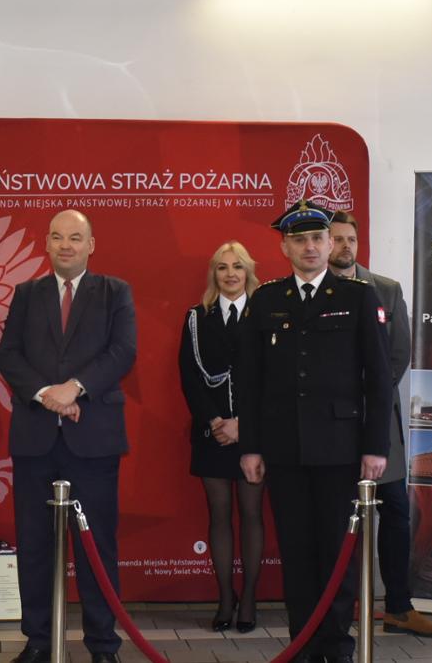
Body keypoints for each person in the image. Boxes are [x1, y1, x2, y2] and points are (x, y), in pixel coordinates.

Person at [235, 200, 393, 663]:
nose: (310, 247)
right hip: (284, 450)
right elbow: (250, 381)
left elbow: (378, 378)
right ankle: (301, 645)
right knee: (297, 553)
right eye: (300, 239)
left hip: (340, 449)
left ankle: (338, 647)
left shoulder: (358, 297)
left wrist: (375, 446)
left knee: (338, 554)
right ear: (284, 247)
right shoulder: (266, 299)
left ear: (330, 244)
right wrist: (250, 447)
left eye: (318, 238)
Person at [0, 210, 137, 663]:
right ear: (47, 243)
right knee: (34, 546)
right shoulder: (26, 294)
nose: (65, 246)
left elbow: (123, 351)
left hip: (93, 439)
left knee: (98, 548)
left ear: (90, 245)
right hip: (35, 439)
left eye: (75, 238)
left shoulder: (115, 292)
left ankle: (103, 645)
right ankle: (38, 640)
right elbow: (9, 355)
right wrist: (46, 395)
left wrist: (74, 388)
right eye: (57, 237)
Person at [325, 210, 432, 638]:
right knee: (340, 518)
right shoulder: (315, 292)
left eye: (350, 239)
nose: (345, 246)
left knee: (395, 512)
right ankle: (338, 611)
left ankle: (398, 607)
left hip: (380, 423)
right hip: (331, 427)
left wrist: (365, 400)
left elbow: (398, 356)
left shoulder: (387, 290)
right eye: (336, 239)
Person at [177, 241, 264, 634]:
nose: (230, 274)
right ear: (214, 274)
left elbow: (274, 377)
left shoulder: (265, 314)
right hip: (211, 433)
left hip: (254, 434)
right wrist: (215, 420)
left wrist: (243, 424)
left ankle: (249, 600)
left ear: (248, 272)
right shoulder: (197, 318)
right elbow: (188, 376)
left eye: (238, 267)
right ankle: (225, 598)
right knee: (219, 515)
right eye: (223, 267)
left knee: (251, 514)